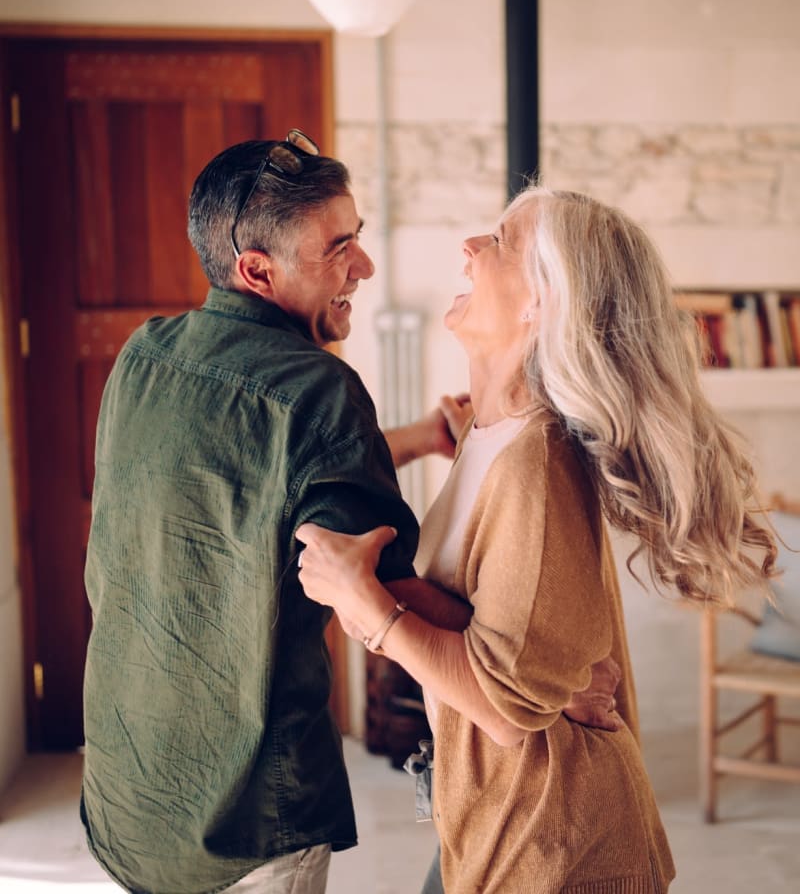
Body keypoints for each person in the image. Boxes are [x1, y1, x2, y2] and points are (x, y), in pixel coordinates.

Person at [80, 135, 617, 894]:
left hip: (124, 787)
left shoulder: (145, 354)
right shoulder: (321, 392)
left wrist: (410, 441)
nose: (362, 266)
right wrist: (553, 675)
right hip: (243, 814)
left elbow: (251, 473)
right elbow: (378, 580)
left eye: (357, 237)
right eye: (339, 249)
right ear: (257, 271)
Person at [296, 186, 778, 894]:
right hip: (507, 822)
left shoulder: (535, 462)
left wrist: (369, 611)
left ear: (543, 302)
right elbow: (509, 642)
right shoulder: (492, 438)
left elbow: (505, 706)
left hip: (556, 846)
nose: (469, 250)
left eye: (500, 241)